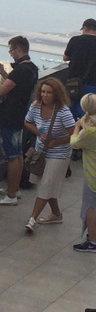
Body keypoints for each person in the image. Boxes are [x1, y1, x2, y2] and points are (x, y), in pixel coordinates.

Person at [0, 36, 38, 206]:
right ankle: (14, 188)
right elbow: (16, 84)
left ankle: (10, 195)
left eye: (11, 50)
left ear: (18, 49)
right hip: (20, 115)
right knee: (18, 154)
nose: (10, 54)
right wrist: (2, 72)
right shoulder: (31, 68)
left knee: (11, 157)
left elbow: (1, 91)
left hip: (9, 116)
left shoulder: (20, 70)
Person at [22, 78, 76, 232]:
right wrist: (39, 134)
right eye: (43, 92)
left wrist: (57, 142)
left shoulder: (63, 112)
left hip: (60, 154)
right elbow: (27, 122)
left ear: (56, 94)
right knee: (46, 184)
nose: (45, 95)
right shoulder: (35, 106)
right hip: (41, 152)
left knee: (46, 185)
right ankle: (56, 214)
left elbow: (73, 134)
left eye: (49, 93)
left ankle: (32, 219)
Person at [71, 93, 96, 252]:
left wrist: (76, 128)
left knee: (90, 206)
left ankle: (92, 241)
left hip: (93, 174)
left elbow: (75, 143)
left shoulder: (89, 131)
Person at [63, 18, 96, 119]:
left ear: (85, 28)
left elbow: (65, 57)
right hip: (92, 83)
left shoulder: (75, 40)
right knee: (89, 112)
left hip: (73, 82)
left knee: (70, 113)